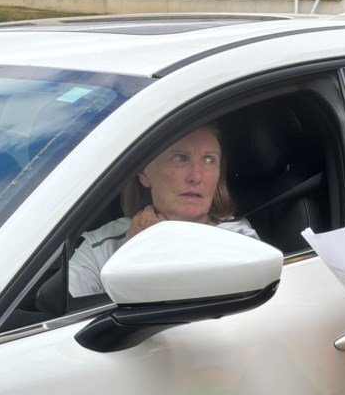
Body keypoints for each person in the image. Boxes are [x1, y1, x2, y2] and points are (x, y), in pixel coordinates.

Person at [69, 122, 258, 297]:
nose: (196, 176)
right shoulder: (101, 245)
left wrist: (151, 247)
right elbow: (58, 320)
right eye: (180, 158)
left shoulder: (238, 239)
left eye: (209, 160)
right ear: (144, 174)